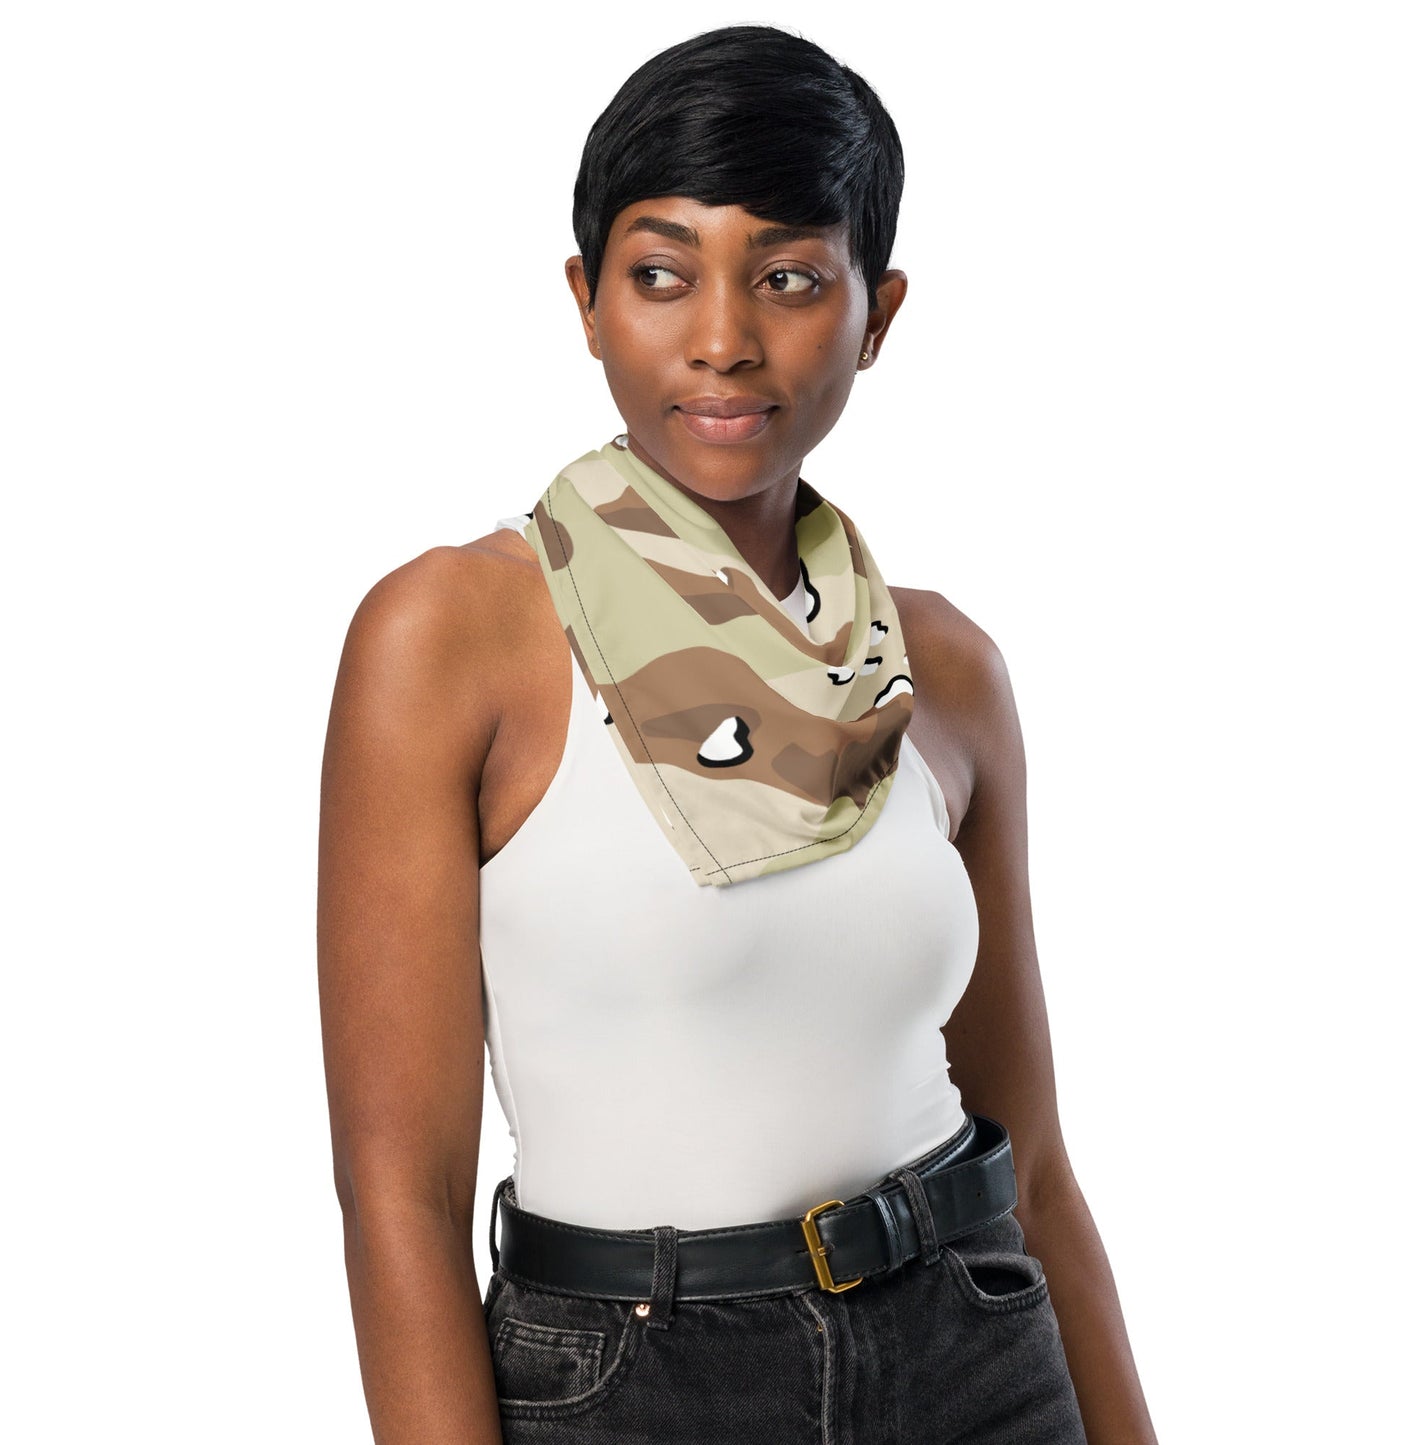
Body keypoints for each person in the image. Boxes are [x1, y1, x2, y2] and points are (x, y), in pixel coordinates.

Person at [318, 24, 1157, 1445]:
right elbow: (398, 1191)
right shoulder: (451, 635)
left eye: (788, 278)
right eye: (661, 274)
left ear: (876, 315)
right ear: (586, 302)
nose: (721, 338)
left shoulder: (944, 671)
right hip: (635, 1382)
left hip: (975, 1353)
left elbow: (1036, 1167)